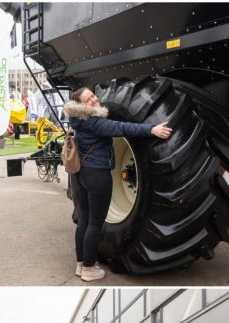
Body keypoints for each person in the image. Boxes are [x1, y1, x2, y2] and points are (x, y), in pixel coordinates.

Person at [63, 88, 172, 281]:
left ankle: (81, 264)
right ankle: (89, 268)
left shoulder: (78, 120)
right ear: (80, 105)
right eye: (89, 99)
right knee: (95, 223)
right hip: (97, 175)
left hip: (82, 174)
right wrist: (151, 129)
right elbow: (121, 128)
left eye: (93, 95)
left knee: (85, 220)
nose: (95, 99)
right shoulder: (95, 122)